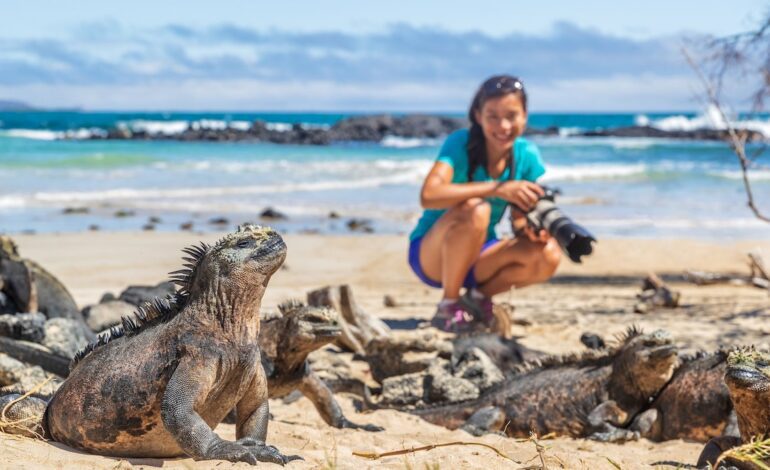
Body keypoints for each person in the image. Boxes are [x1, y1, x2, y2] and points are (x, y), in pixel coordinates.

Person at [408, 74, 561, 332]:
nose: (502, 126)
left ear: (524, 116)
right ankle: (448, 305)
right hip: (432, 254)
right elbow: (429, 195)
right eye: (493, 116)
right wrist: (499, 189)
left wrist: (530, 231)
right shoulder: (460, 143)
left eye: (511, 116)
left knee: (549, 254)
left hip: (481, 256)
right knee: (477, 209)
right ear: (478, 116)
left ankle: (477, 299)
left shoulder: (526, 156)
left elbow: (518, 220)